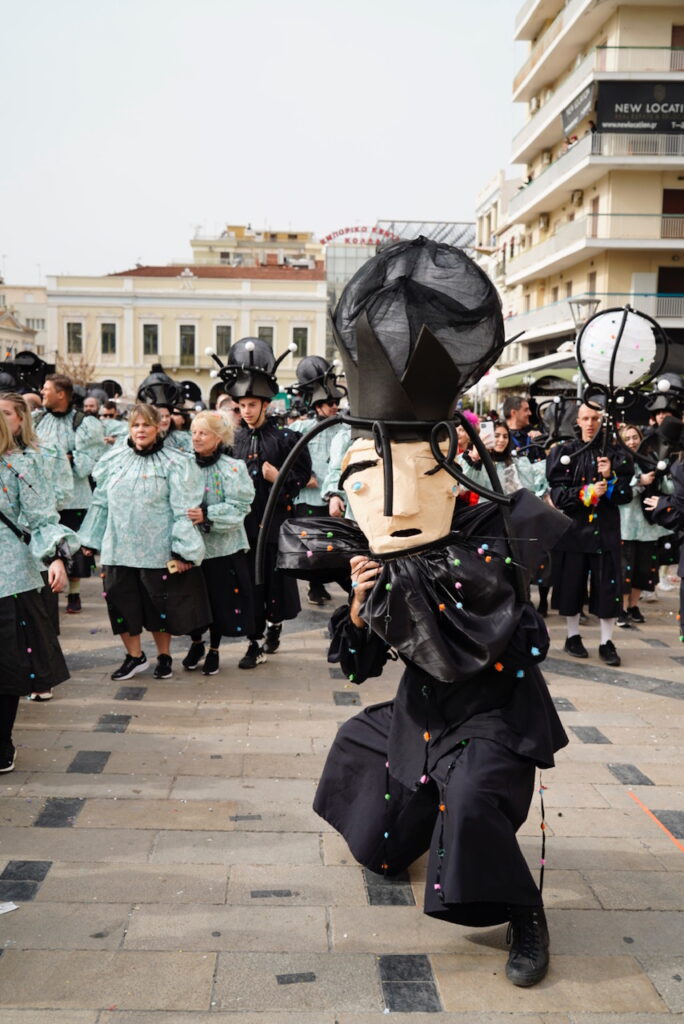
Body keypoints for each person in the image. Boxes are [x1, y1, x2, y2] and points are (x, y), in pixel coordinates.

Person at [273, 237, 570, 988]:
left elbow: (523, 642)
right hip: (421, 709)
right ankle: (412, 826)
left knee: (470, 802)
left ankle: (524, 912)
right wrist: (368, 600)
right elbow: (355, 667)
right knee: (367, 785)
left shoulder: (493, 530)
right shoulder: (374, 548)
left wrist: (440, 593)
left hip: (495, 711)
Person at [78, 403, 210, 681]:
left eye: (146, 425)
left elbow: (182, 508)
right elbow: (101, 502)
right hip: (118, 548)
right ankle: (134, 657)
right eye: (135, 425)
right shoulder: (114, 459)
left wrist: (184, 550)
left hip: (157, 550)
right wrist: (89, 540)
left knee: (158, 607)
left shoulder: (175, 462)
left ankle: (164, 657)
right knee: (121, 603)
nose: (140, 430)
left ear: (158, 427)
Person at [215, 337, 311, 668]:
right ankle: (253, 641)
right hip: (243, 527)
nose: (246, 411)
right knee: (247, 585)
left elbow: (302, 477)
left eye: (252, 405)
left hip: (274, 526)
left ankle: (274, 624)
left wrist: (279, 478)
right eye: (241, 406)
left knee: (273, 583)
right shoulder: (233, 441)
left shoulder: (287, 439)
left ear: (265, 405)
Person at [0, 414, 74, 770]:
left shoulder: (19, 467)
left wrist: (56, 557)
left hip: (10, 577)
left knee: (8, 664)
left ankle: (2, 741)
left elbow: (42, 518)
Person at [546, 404, 634, 665]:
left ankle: (606, 642)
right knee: (571, 586)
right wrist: (586, 494)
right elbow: (558, 495)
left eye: (595, 418)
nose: (590, 423)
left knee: (608, 588)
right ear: (577, 421)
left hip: (604, 533)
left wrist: (611, 479)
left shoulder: (615, 455)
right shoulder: (565, 453)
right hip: (574, 533)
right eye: (585, 418)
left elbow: (625, 496)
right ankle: (573, 636)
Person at [182, 410, 256, 675]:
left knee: (217, 600)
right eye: (193, 432)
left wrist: (208, 515)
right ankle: (196, 643)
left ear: (218, 437)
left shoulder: (233, 468)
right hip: (188, 546)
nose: (196, 438)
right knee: (191, 599)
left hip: (222, 548)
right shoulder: (182, 465)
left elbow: (240, 506)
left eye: (203, 433)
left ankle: (214, 649)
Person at [33, 373, 106, 613]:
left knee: (73, 548)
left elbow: (88, 463)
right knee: (47, 545)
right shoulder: (37, 419)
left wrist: (67, 459)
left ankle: (74, 594)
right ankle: (48, 590)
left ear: (61, 393)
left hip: (76, 497)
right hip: (43, 497)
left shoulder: (83, 423)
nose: (43, 392)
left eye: (47, 389)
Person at [289, 356, 349, 605]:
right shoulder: (301, 431)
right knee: (313, 545)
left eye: (336, 402)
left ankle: (329, 582)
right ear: (317, 405)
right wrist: (304, 479)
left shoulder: (345, 430)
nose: (335, 407)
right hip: (309, 499)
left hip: (336, 499)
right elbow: (289, 463)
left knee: (333, 545)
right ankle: (315, 586)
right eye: (329, 403)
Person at [616, 424, 672, 627]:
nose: (632, 441)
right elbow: (619, 490)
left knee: (643, 569)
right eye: (628, 438)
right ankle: (620, 608)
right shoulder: (619, 461)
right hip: (626, 525)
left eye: (635, 437)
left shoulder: (651, 459)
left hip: (648, 526)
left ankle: (633, 605)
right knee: (624, 570)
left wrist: (663, 472)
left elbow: (668, 488)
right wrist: (639, 481)